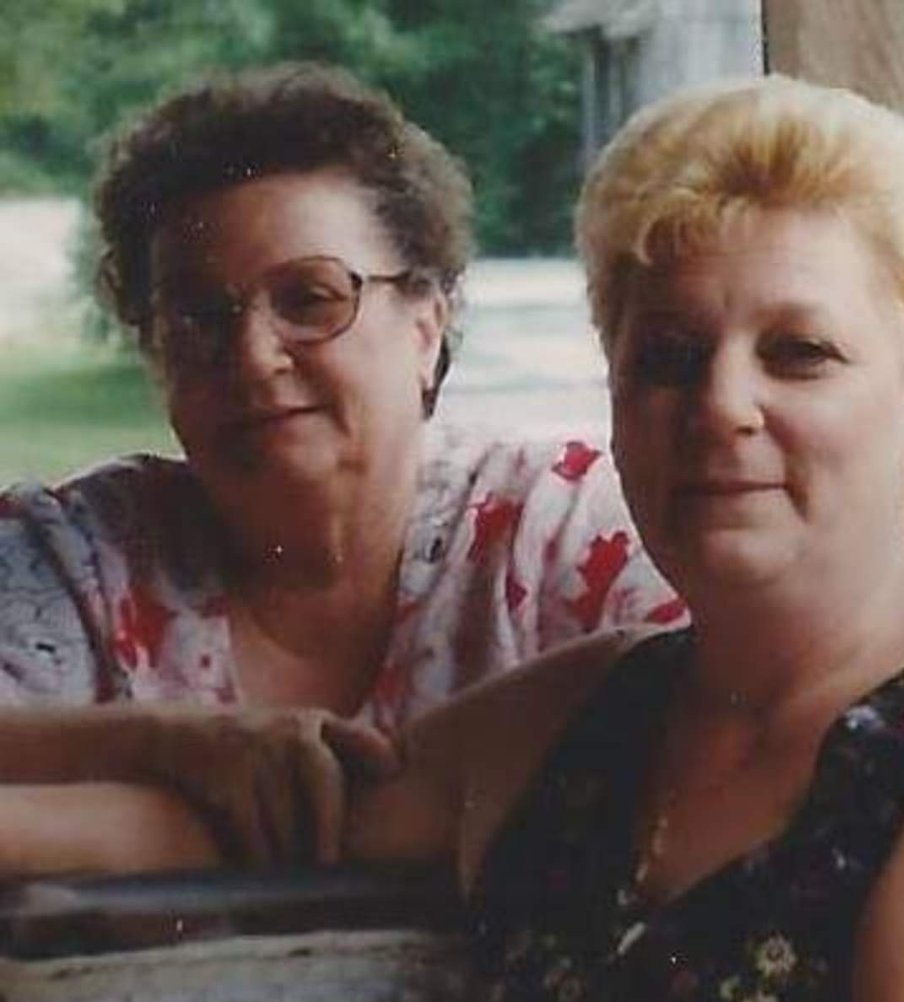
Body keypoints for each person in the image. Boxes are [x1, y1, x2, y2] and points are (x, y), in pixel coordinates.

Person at [5, 74, 904, 1002]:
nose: (722, 406)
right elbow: (238, 826)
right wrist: (171, 746)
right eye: (668, 359)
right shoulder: (579, 716)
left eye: (799, 354)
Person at [0, 62, 682, 727]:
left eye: (310, 298)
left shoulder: (559, 534)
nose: (253, 356)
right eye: (199, 317)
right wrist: (174, 751)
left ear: (426, 326)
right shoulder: (76, 561)